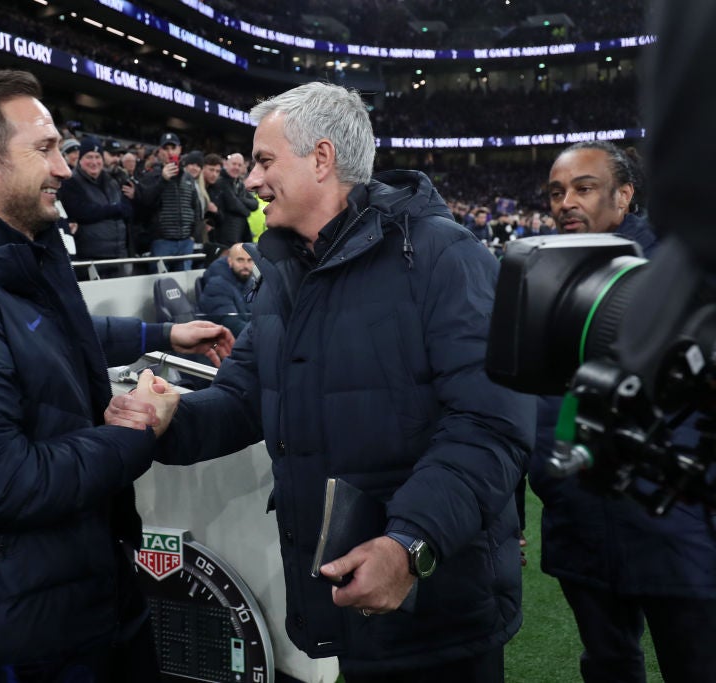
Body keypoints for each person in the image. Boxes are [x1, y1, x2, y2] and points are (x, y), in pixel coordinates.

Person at [109, 82, 535, 682]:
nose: (251, 182)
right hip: (343, 600)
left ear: (322, 157)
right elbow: (240, 400)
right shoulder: (285, 272)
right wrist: (170, 418)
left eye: (263, 160)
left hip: (437, 605)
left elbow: (492, 423)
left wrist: (410, 544)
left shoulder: (446, 258)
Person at [0, 69, 233, 683]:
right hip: (24, 623)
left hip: (81, 588)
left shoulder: (16, 249)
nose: (63, 167)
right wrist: (137, 431)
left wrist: (162, 334)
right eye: (45, 149)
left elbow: (50, 334)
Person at [529, 140, 716, 683]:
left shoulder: (685, 269)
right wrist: (547, 485)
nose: (566, 202)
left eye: (583, 188)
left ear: (624, 195)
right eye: (557, 192)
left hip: (671, 530)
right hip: (579, 525)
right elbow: (531, 404)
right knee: (609, 666)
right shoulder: (538, 271)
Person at [56, 135, 134, 278]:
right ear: (80, 159)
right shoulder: (71, 182)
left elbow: (127, 208)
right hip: (91, 258)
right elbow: (82, 211)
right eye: (89, 157)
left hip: (119, 255)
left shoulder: (113, 181)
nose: (94, 162)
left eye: (97, 157)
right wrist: (115, 209)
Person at [137, 132, 199, 270]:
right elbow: (145, 203)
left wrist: (193, 235)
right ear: (160, 152)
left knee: (184, 286)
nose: (170, 152)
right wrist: (163, 180)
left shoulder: (188, 177)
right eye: (166, 149)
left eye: (173, 148)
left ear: (180, 150)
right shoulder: (151, 175)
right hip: (161, 242)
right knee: (161, 284)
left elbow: (196, 207)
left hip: (186, 242)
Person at [196, 242, 254, 337]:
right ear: (230, 262)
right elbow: (230, 324)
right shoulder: (216, 285)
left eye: (250, 260)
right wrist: (262, 336)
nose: (246, 265)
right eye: (240, 260)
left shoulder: (250, 283)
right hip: (219, 344)